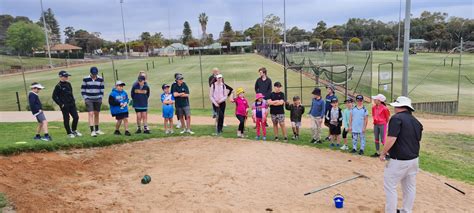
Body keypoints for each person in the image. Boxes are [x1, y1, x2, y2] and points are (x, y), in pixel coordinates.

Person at [379, 96, 423, 213]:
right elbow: (417, 140)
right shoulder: (416, 122)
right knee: (409, 187)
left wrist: (383, 153)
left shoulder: (396, 118)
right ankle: (406, 210)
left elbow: (391, 138)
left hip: (399, 160)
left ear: (399, 107)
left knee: (390, 186)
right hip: (414, 159)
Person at [52, 70, 81, 138]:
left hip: (71, 104)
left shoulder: (68, 84)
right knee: (66, 119)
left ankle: (74, 130)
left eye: (67, 76)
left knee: (76, 117)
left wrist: (73, 101)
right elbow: (54, 96)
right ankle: (69, 133)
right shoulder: (58, 86)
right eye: (65, 76)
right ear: (60, 77)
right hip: (64, 106)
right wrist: (60, 104)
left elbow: (71, 94)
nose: (67, 77)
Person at [81, 66, 105, 137]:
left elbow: (102, 89)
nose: (94, 75)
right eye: (93, 74)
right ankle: (92, 131)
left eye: (95, 74)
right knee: (90, 113)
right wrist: (85, 98)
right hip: (89, 99)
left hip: (98, 98)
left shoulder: (100, 79)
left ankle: (97, 129)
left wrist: (101, 97)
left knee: (96, 114)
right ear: (90, 73)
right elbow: (83, 90)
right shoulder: (85, 79)